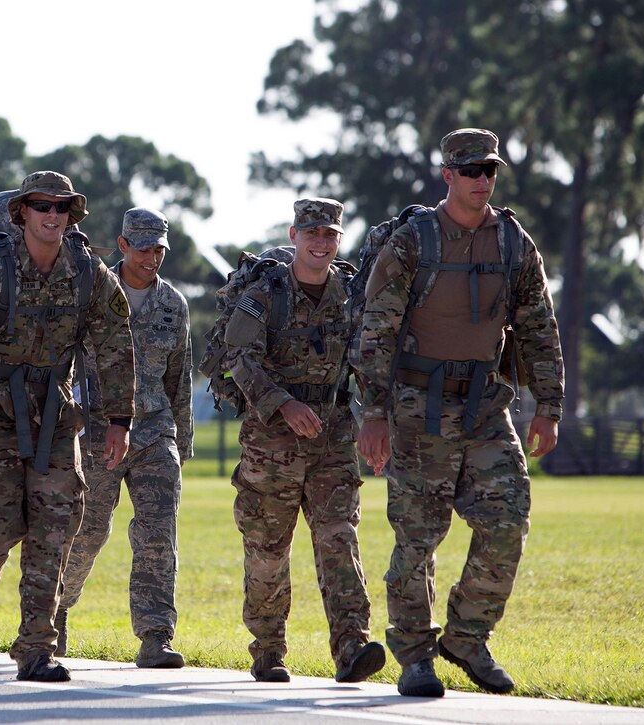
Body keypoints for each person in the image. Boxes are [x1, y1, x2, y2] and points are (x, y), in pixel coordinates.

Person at [353, 128, 565, 698]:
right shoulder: (413, 241)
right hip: (416, 408)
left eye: (490, 170)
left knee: (508, 518)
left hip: (485, 408)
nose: (482, 180)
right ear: (447, 175)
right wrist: (372, 414)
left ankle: (467, 638)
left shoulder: (513, 244)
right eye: (470, 170)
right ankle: (416, 654)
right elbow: (376, 330)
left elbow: (540, 328)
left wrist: (548, 405)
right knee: (418, 537)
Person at [0, 170, 135, 683]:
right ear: (21, 212)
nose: (53, 215)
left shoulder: (89, 272)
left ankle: (35, 650)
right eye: (42, 206)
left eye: (62, 207)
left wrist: (119, 419)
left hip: (54, 415)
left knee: (54, 529)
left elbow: (115, 345)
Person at [222, 198, 386, 684]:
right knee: (268, 549)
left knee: (339, 539)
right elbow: (239, 356)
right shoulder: (265, 292)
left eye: (329, 235)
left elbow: (369, 361)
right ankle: (269, 648)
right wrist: (283, 404)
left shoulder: (352, 294)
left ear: (338, 240)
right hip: (272, 439)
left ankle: (352, 647)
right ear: (294, 235)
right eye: (311, 233)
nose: (320, 242)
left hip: (333, 433)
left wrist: (377, 417)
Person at [56, 207, 193, 669]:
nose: (152, 257)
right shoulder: (92, 294)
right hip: (97, 433)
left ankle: (156, 636)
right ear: (122, 246)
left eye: (159, 249)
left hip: (155, 433)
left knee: (158, 535)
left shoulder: (174, 304)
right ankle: (56, 609)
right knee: (88, 530)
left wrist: (182, 443)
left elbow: (179, 378)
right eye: (144, 248)